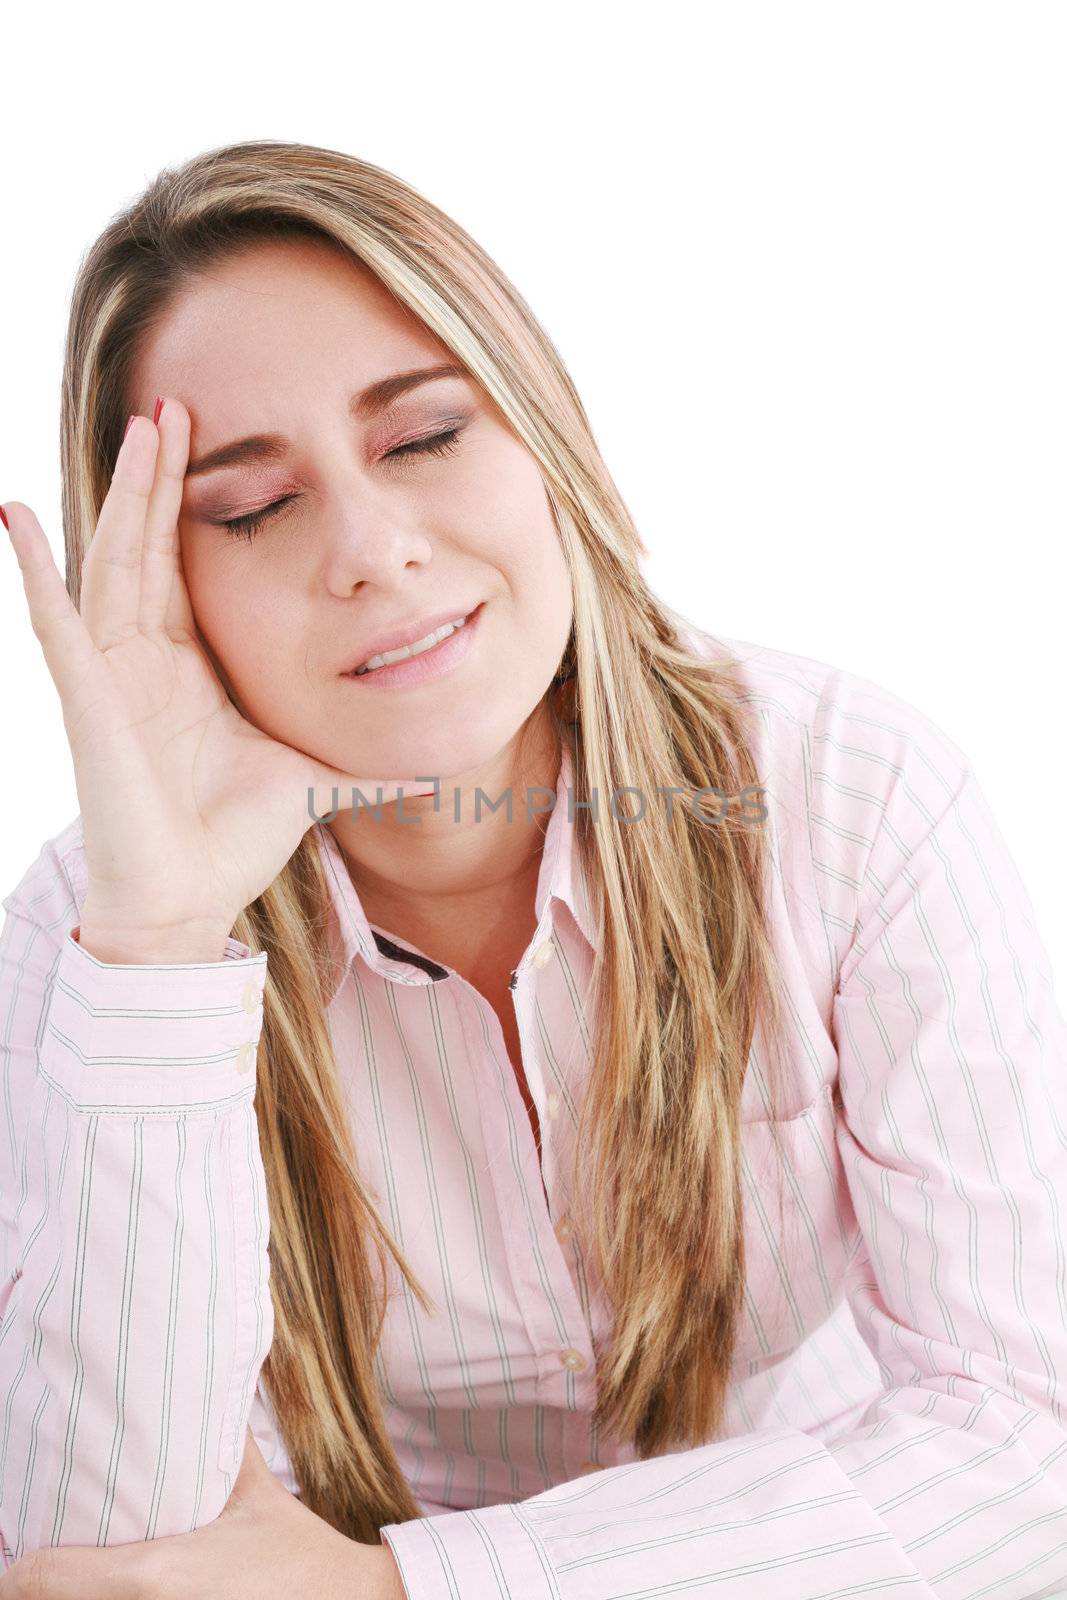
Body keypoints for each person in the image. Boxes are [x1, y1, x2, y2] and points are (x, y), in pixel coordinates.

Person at [0, 139, 1064, 1600]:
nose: (372, 551)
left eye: (425, 436)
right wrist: (167, 942)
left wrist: (404, 1590)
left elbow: (1029, 1439)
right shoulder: (92, 939)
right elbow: (103, 1566)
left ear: (544, 434)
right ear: (162, 583)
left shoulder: (850, 795)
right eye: (251, 508)